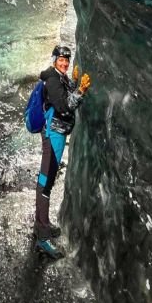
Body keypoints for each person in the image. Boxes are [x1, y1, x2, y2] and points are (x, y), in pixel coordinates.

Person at [34, 44, 91, 259]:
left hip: (57, 135)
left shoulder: (60, 77)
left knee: (45, 181)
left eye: (67, 60)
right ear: (54, 59)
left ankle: (42, 225)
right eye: (61, 60)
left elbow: (64, 95)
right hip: (53, 136)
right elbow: (65, 106)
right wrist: (81, 91)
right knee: (46, 184)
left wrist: (74, 83)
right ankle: (42, 237)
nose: (65, 63)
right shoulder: (52, 79)